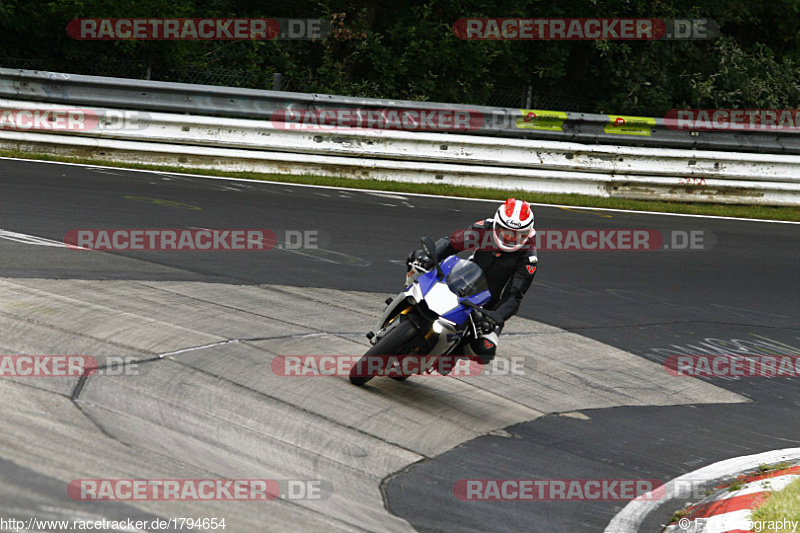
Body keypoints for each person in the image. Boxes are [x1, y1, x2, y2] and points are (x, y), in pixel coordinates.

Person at [405, 198, 538, 364]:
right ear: (497, 225)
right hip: (461, 278)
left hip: (486, 306)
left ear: (528, 233)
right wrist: (431, 257)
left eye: (518, 235)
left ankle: (448, 357)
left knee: (484, 350)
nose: (511, 238)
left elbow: (514, 296)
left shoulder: (528, 258)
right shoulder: (483, 228)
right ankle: (404, 300)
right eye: (506, 231)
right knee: (416, 259)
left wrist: (495, 316)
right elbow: (453, 243)